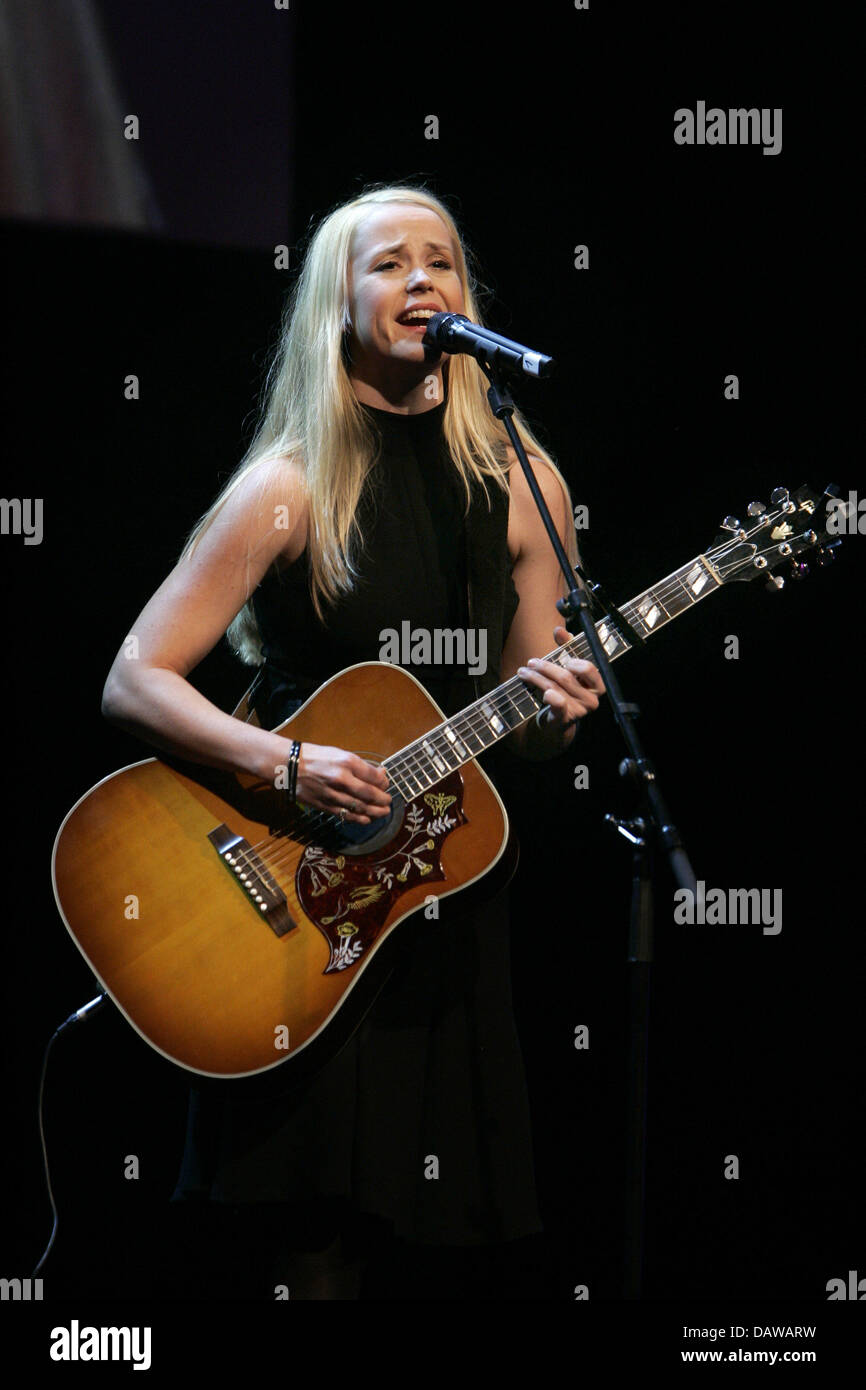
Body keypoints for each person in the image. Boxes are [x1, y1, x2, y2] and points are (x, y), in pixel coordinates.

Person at [101, 183, 605, 1299]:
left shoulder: (526, 487)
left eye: (442, 261)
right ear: (336, 302)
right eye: (387, 263)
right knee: (311, 1247)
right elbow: (132, 680)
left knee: (441, 1251)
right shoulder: (289, 489)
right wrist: (282, 762)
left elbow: (527, 741)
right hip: (291, 893)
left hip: (434, 901)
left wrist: (558, 717)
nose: (422, 278)